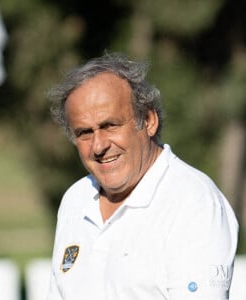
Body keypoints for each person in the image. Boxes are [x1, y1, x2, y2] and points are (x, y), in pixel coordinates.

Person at [46, 52, 238, 300]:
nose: (98, 145)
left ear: (148, 120)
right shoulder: (76, 199)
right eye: (84, 132)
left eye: (110, 125)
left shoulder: (193, 203)